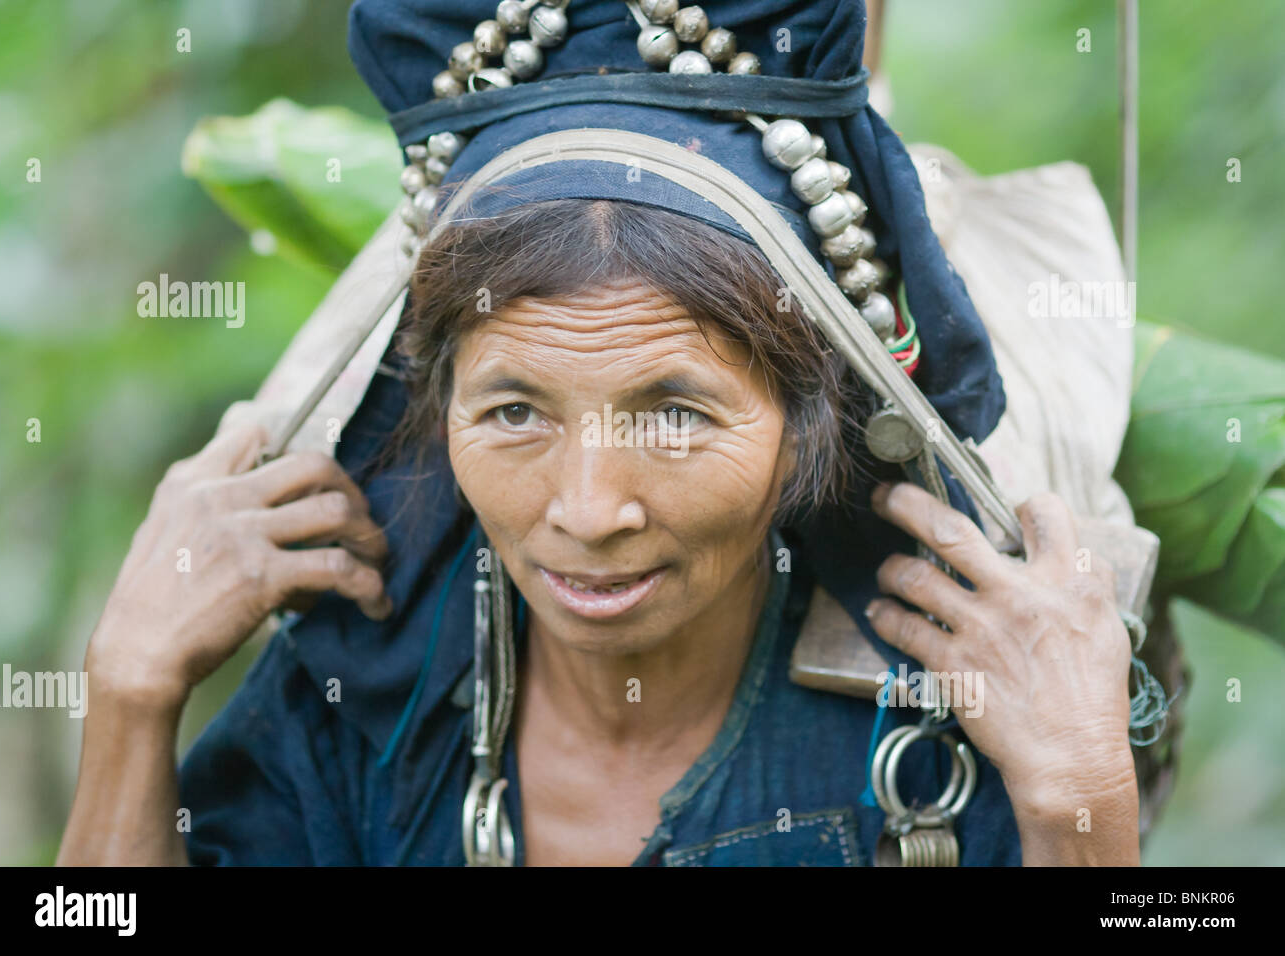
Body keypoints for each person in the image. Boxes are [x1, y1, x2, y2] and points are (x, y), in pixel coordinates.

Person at [56, 0, 1141, 866]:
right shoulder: (356, 709)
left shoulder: (971, 728)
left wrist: (1082, 805)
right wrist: (132, 690)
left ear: (807, 428)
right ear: (438, 417)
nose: (585, 510)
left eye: (676, 412)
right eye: (515, 411)